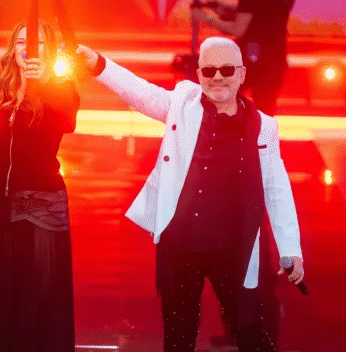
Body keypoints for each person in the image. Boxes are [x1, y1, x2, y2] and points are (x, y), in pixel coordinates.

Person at [79, 36, 304, 352]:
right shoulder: (182, 105)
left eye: (226, 69)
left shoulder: (262, 126)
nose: (217, 77)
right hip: (179, 245)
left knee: (250, 334)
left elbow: (276, 188)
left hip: (231, 247)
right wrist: (99, 65)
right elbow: (140, 92)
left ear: (241, 74)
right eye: (209, 70)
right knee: (178, 338)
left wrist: (291, 247)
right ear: (199, 75)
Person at [0, 21, 80, 352]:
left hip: (42, 204)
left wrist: (43, 85)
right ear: (14, 49)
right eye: (22, 41)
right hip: (2, 204)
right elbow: (1, 159)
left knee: (38, 299)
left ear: (48, 51)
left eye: (37, 43)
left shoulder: (61, 87)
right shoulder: (6, 89)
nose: (28, 49)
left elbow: (68, 120)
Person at [192, 0, 294, 116]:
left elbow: (239, 28)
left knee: (220, 101)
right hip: (276, 59)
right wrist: (224, 9)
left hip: (253, 60)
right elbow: (263, 12)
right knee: (266, 112)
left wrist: (206, 18)